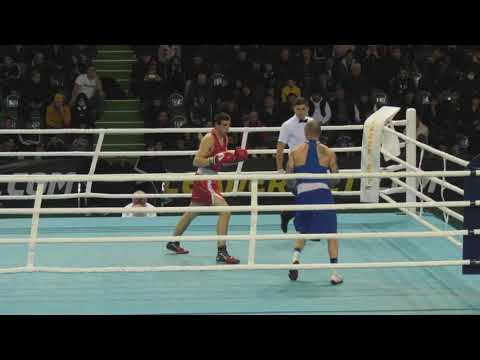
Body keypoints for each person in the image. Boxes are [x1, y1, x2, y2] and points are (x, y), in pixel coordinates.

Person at [167, 112, 248, 263]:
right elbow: (196, 161)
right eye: (224, 125)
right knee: (225, 211)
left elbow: (220, 161)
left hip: (211, 178)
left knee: (191, 213)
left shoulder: (224, 138)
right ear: (216, 125)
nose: (227, 128)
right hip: (205, 179)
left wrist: (236, 159)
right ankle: (221, 251)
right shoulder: (209, 138)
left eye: (229, 125)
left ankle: (173, 241)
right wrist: (213, 159)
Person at [286, 121, 343, 285]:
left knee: (303, 230)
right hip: (322, 194)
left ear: (305, 133)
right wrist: (325, 184)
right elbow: (336, 179)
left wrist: (297, 190)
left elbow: (289, 180)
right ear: (320, 133)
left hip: (303, 194)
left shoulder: (295, 152)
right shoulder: (329, 153)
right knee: (331, 234)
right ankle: (334, 273)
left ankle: (295, 259)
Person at [276, 97, 314, 233]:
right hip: (294, 165)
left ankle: (289, 214)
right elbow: (280, 148)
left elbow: (316, 144)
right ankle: (302, 226)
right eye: (298, 109)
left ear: (308, 109)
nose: (301, 112)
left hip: (311, 164)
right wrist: (279, 168)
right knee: (305, 196)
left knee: (310, 196)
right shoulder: (287, 125)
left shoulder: (312, 122)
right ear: (294, 109)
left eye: (303, 109)